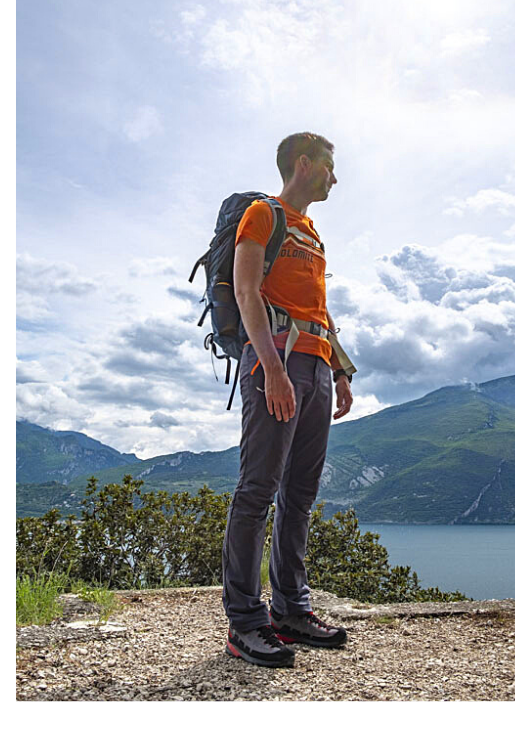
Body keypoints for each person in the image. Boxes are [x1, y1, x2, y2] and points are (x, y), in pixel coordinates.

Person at [221, 132, 354, 668]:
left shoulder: (313, 235)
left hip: (316, 367)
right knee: (257, 491)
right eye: (329, 167)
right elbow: (246, 291)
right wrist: (272, 369)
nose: (334, 178)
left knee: (300, 494)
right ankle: (245, 622)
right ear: (304, 164)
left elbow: (319, 313)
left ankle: (290, 611)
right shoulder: (264, 215)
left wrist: (341, 371)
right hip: (275, 364)